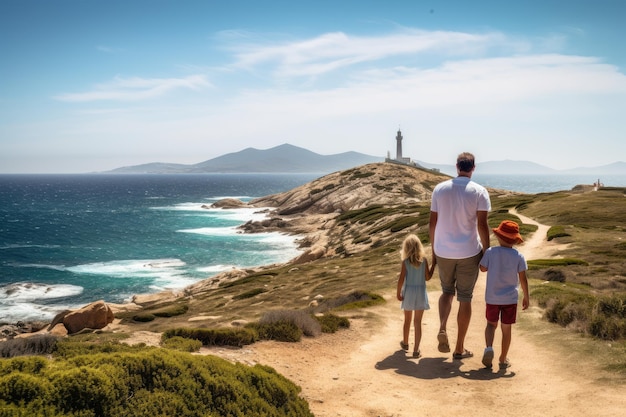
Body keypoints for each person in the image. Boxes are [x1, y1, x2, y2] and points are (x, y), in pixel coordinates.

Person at [429, 152, 491, 360]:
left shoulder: (439, 189)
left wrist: (434, 251)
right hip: (469, 252)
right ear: (473, 168)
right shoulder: (480, 192)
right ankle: (459, 348)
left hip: (443, 251)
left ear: (456, 166)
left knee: (447, 291)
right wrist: (487, 253)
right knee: (465, 298)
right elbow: (482, 225)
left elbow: (432, 224)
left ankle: (443, 327)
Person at [479, 220, 529, 370]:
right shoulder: (518, 256)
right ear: (515, 239)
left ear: (499, 236)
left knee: (490, 324)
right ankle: (502, 359)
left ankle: (489, 348)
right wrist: (526, 296)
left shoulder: (491, 252)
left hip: (492, 297)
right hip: (510, 299)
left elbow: (482, 269)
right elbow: (523, 278)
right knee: (506, 329)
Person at [396, 234, 435, 358]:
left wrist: (398, 293)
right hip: (420, 293)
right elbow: (427, 278)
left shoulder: (405, 262)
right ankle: (416, 349)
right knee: (418, 322)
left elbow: (401, 279)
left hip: (408, 293)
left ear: (406, 248)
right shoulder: (424, 261)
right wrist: (433, 266)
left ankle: (405, 343)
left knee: (407, 320)